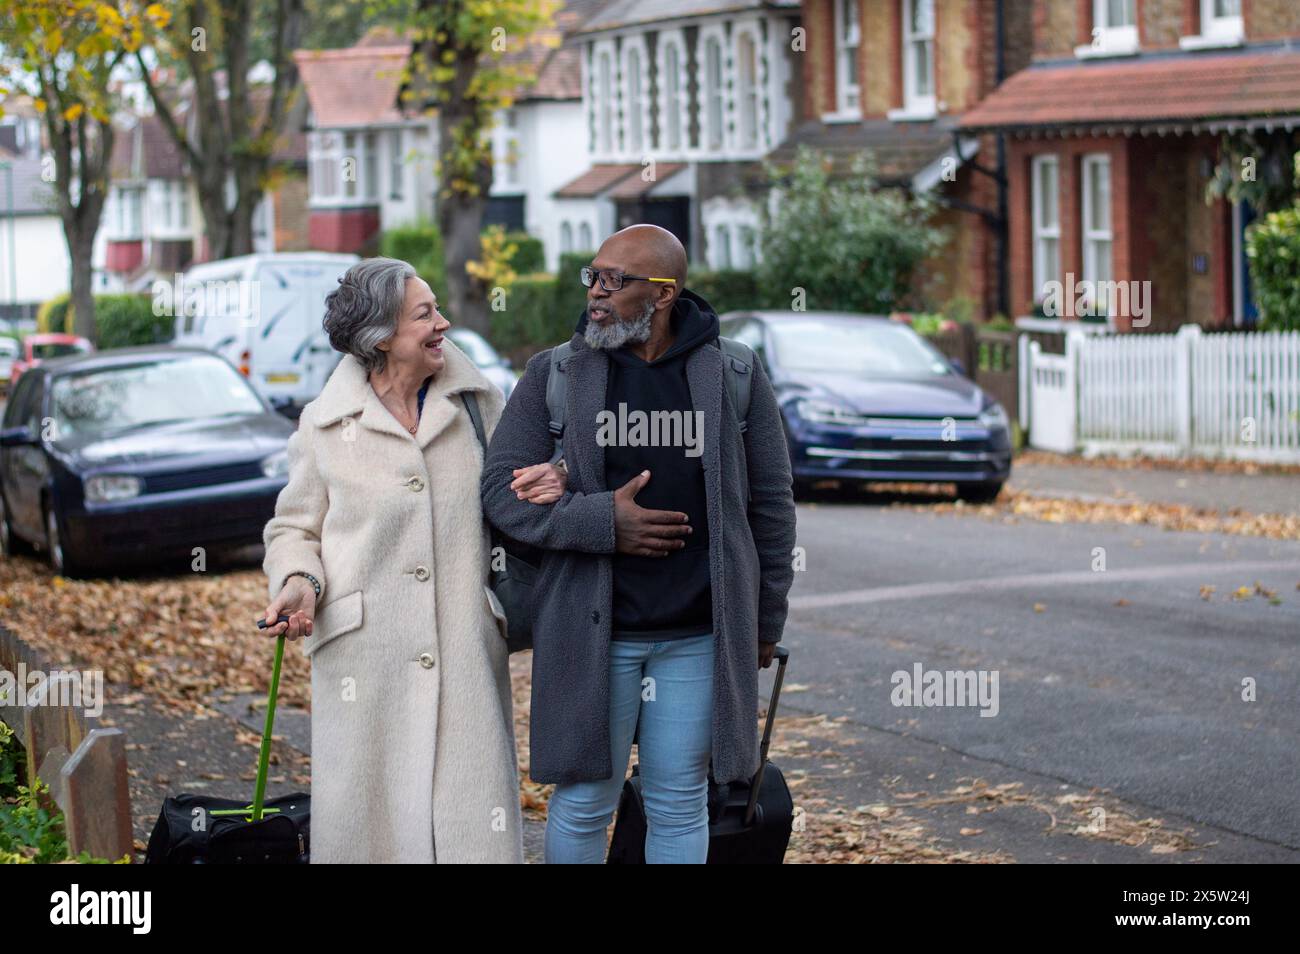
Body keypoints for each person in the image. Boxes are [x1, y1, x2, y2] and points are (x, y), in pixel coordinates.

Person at [480, 224, 798, 863]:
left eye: (613, 281)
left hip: (698, 634)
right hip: (592, 632)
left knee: (678, 799)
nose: (595, 292)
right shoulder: (558, 373)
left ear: (662, 293)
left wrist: (763, 619)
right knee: (583, 800)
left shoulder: (732, 372)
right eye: (592, 276)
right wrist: (602, 523)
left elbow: (771, 505)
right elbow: (498, 492)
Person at [261, 257, 565, 863]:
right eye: (425, 314)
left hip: (462, 648)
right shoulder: (325, 425)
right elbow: (293, 527)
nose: (443, 324)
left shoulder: (477, 404)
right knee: (372, 833)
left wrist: (550, 480)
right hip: (362, 661)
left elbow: (515, 492)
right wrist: (298, 579)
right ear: (379, 337)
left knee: (470, 829)